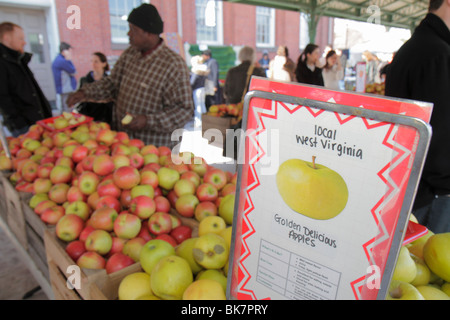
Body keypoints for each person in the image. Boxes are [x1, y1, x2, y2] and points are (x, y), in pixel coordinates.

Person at [67, 3, 194, 148]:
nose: (128, 34)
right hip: (122, 143)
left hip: (154, 150)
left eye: (133, 29)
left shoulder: (173, 65)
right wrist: (85, 92)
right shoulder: (130, 54)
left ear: (149, 33)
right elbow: (111, 84)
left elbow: (184, 111)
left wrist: (147, 120)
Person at [385, 0, 450, 233]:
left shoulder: (414, 47)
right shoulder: (438, 53)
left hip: (410, 185)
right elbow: (442, 129)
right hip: (433, 192)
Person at [0, 22, 52, 137]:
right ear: (6, 38)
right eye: (20, 38)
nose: (24, 42)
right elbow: (3, 98)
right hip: (24, 126)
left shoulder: (18, 59)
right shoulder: (3, 63)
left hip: (37, 120)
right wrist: (18, 123)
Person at [76, 52, 113, 124]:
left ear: (104, 64)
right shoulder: (84, 80)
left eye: (96, 61)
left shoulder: (110, 81)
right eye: (91, 61)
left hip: (105, 119)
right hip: (88, 118)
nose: (93, 64)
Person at [52, 42, 77, 114]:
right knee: (67, 107)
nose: (70, 53)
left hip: (64, 88)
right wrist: (69, 59)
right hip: (66, 88)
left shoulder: (58, 59)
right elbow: (73, 71)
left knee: (65, 106)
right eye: (69, 51)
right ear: (64, 51)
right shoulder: (62, 61)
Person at [190, 55, 208, 127]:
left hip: (197, 90)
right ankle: (205, 120)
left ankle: (198, 122)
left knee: (198, 106)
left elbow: (192, 83)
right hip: (203, 89)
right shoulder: (203, 70)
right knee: (202, 105)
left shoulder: (196, 70)